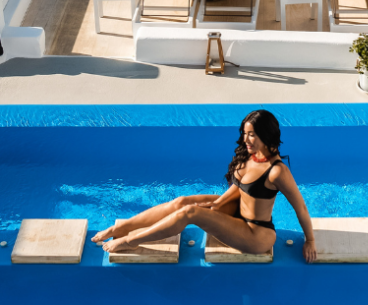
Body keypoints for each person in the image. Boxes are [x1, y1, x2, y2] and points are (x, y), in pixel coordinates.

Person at [91, 109, 317, 262]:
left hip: (255, 234)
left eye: (252, 135)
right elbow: (238, 188)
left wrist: (310, 240)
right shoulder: (252, 156)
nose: (246, 140)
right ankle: (118, 229)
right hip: (237, 215)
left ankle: (131, 241)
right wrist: (217, 205)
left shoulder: (277, 170)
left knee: (190, 212)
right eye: (245, 134)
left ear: (266, 135)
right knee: (182, 202)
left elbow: (301, 208)